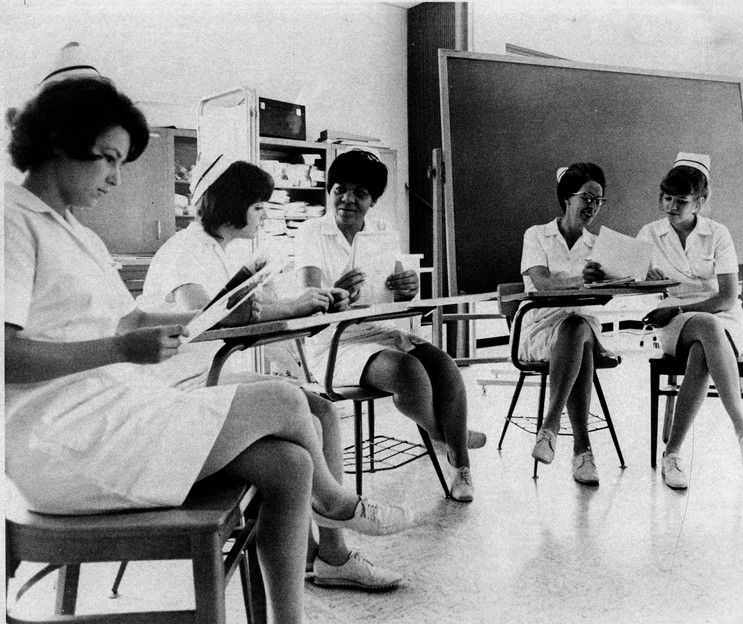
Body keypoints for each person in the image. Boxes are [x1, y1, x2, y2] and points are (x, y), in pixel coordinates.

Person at [4, 77, 411, 624]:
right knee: (289, 401)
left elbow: (131, 318)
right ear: (58, 142)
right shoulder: (12, 220)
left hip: (114, 412)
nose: (116, 177)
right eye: (107, 158)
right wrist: (122, 348)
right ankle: (337, 504)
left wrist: (199, 318)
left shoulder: (77, 233)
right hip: (65, 437)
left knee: (290, 464)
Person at [142, 155, 403, 590]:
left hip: (213, 377)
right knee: (299, 412)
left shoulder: (228, 250)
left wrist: (314, 303)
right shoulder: (183, 252)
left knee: (320, 410)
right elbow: (210, 317)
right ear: (233, 203)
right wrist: (295, 305)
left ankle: (333, 554)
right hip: (183, 389)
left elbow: (253, 314)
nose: (264, 216)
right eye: (259, 206)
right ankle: (336, 519)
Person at [294, 149, 486, 502]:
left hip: (380, 331)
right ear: (329, 190)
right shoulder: (311, 232)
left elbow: (396, 293)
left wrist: (408, 286)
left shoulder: (383, 231)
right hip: (335, 342)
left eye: (360, 193)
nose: (348, 199)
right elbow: (309, 299)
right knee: (408, 372)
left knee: (443, 364)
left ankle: (461, 467)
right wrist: (333, 293)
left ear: (373, 201)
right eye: (340, 189)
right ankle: (449, 438)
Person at [637, 152, 743, 489]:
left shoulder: (718, 233)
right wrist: (641, 279)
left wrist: (679, 309)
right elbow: (627, 278)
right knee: (708, 332)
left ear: (700, 202)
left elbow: (727, 297)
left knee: (704, 347)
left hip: (719, 316)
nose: (671, 206)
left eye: (681, 200)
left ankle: (673, 454)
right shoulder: (649, 234)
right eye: (666, 198)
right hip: (673, 326)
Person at [521, 162, 620, 486]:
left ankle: (549, 429)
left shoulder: (599, 246)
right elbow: (541, 283)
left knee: (578, 327)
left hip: (581, 324)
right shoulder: (536, 235)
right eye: (586, 198)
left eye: (598, 201)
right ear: (567, 197)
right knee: (579, 337)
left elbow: (613, 289)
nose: (592, 207)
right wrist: (581, 281)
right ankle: (582, 451)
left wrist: (609, 280)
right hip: (540, 325)